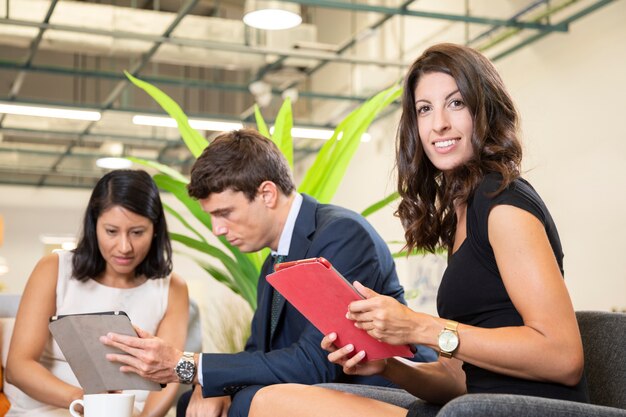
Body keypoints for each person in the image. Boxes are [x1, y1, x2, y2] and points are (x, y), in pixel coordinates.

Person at [245, 42, 590, 417]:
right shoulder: (466, 208)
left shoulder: (503, 204)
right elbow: (457, 381)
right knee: (275, 399)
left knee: (274, 402)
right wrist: (387, 364)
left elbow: (562, 357)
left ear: (485, 109)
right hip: (471, 405)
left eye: (456, 103)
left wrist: (419, 327)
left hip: (516, 412)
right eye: (425, 109)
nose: (438, 122)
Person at [100, 128, 436, 417]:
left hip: (386, 386)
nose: (217, 229)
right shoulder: (273, 260)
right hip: (319, 383)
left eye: (225, 213)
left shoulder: (341, 234)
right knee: (197, 400)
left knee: (245, 400)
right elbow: (257, 351)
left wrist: (191, 365)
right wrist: (211, 383)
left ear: (267, 194)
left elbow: (315, 361)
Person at [5, 170, 189, 417]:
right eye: (111, 231)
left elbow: (168, 376)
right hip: (51, 410)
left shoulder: (172, 289)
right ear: (94, 225)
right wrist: (84, 400)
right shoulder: (53, 270)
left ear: (155, 230)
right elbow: (18, 367)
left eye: (137, 232)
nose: (124, 247)